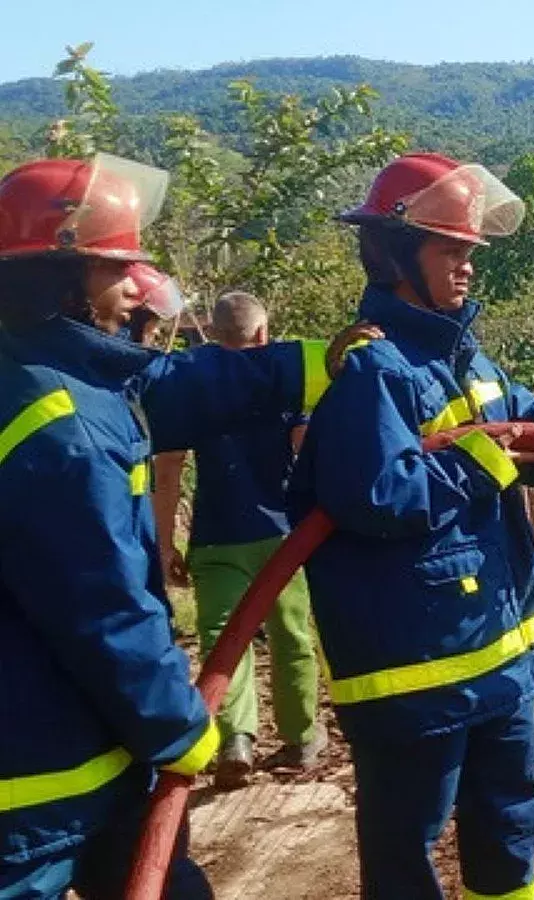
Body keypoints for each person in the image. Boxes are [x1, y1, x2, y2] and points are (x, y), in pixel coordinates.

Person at [288, 152, 534, 900]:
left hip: (498, 659)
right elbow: (378, 495)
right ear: (394, 254)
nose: (466, 269)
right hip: (417, 671)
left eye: (469, 254)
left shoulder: (465, 358)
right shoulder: (374, 370)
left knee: (508, 824)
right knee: (407, 847)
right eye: (449, 252)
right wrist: (481, 466)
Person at [0, 154, 330, 899]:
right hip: (35, 785)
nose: (131, 290)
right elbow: (104, 611)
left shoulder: (60, 379)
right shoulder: (62, 428)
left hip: (86, 750)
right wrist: (181, 729)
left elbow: (191, 384)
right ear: (59, 280)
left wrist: (322, 364)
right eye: (115, 270)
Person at [157, 292, 325, 790]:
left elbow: (167, 472)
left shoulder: (191, 390)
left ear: (212, 334)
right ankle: (301, 737)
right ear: (260, 335)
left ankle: (236, 741)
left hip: (215, 538)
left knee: (223, 642)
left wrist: (165, 544)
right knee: (292, 636)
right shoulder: (282, 383)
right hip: (283, 536)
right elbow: (307, 452)